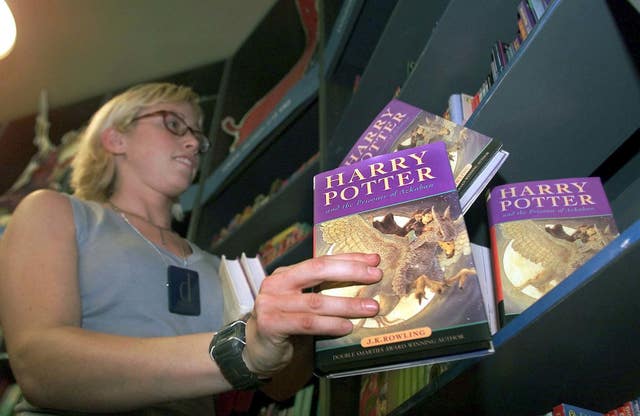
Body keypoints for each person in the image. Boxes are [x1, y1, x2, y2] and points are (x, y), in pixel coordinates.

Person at [0, 82, 382, 415]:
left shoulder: (222, 267)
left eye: (198, 138)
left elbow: (279, 386)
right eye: (173, 124)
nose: (193, 144)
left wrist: (299, 323)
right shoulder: (55, 210)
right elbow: (40, 365)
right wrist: (239, 353)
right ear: (115, 138)